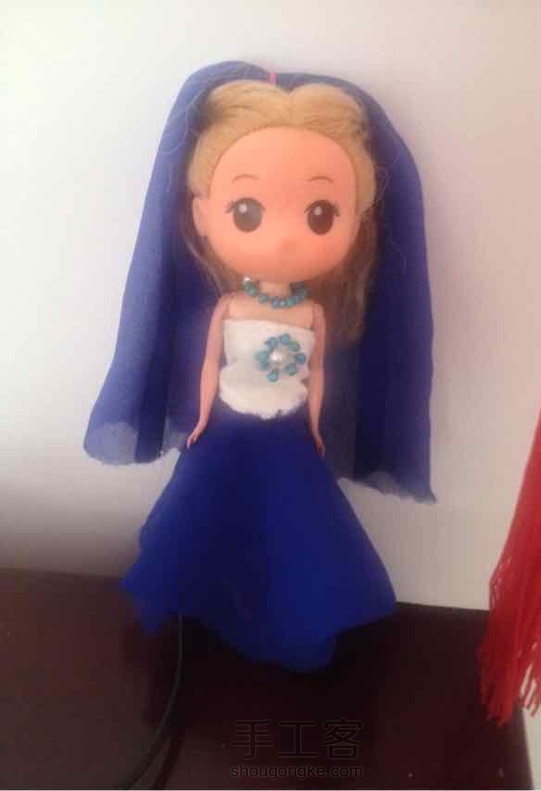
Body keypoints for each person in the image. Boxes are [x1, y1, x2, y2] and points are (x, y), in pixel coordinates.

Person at [84, 61, 434, 672]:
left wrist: (316, 426)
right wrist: (199, 417)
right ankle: (210, 602)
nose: (286, 239)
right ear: (202, 216)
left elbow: (318, 373)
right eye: (247, 210)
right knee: (207, 514)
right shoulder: (230, 306)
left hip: (288, 430)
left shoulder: (311, 314)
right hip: (226, 424)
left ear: (357, 223)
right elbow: (210, 360)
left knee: (296, 525)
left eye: (320, 214)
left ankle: (291, 615)